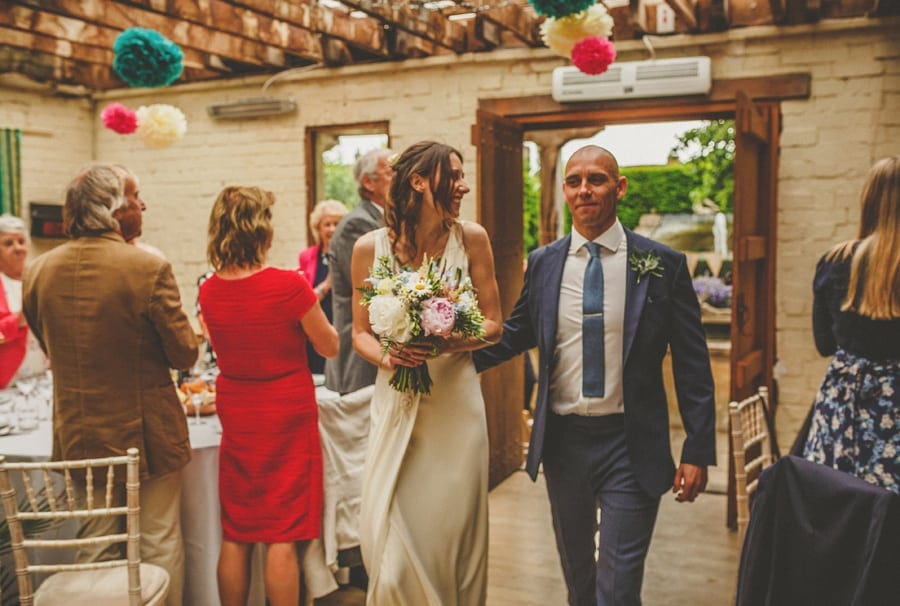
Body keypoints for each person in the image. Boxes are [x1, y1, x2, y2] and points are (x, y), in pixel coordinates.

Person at [474, 145, 716, 606]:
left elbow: (691, 361)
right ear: (565, 191)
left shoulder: (662, 265)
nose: (584, 189)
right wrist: (451, 360)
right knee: (579, 580)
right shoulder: (544, 261)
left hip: (631, 443)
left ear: (619, 187)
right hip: (563, 443)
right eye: (574, 181)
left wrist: (697, 448)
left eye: (597, 179)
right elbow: (519, 331)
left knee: (618, 587)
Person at [22, 163, 198, 606]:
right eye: (136, 197)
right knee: (157, 541)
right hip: (148, 432)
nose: (142, 205)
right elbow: (185, 354)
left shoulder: (38, 271)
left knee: (95, 546)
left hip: (78, 431)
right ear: (114, 210)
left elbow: (49, 346)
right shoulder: (147, 267)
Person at [351, 141, 502, 604]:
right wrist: (389, 356)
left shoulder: (471, 239)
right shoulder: (367, 248)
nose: (463, 185)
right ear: (419, 181)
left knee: (452, 540)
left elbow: (495, 326)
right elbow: (359, 333)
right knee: (392, 559)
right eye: (453, 175)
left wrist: (448, 340)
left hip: (456, 413)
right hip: (397, 405)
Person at [198, 186, 339, 606]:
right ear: (260, 231)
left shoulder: (209, 291)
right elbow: (329, 345)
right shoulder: (289, 286)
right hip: (286, 411)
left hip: (238, 410)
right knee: (282, 531)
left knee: (237, 528)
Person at [801, 156, 899, 494]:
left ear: (868, 201)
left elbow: (824, 344)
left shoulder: (835, 261)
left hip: (844, 404)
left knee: (841, 503)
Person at [321, 148, 393, 585]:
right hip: (357, 359)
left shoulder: (382, 217)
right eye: (391, 172)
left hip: (377, 356)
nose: (398, 178)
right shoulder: (358, 225)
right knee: (359, 462)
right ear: (369, 182)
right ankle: (360, 561)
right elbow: (377, 285)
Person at [299, 199, 349, 373]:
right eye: (327, 224)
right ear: (318, 228)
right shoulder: (307, 257)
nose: (332, 229)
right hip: (317, 328)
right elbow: (304, 300)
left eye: (337, 224)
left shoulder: (351, 255)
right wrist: (327, 285)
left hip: (343, 327)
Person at [0, 215, 49, 388]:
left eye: (21, 241)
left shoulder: (40, 278)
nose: (18, 248)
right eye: (8, 243)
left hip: (44, 378)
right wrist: (17, 321)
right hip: (7, 383)